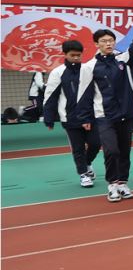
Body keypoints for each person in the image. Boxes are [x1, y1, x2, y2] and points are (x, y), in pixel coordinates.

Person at [76, 9, 133, 202]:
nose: (108, 44)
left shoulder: (122, 59)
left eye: (111, 41)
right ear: (96, 44)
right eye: (104, 41)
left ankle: (123, 183)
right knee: (111, 150)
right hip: (104, 116)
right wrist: (84, 118)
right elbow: (83, 95)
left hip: (126, 113)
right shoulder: (89, 67)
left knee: (125, 151)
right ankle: (112, 185)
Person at [43, 40, 100, 187]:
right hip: (69, 118)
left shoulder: (88, 69)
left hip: (90, 116)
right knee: (78, 148)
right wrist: (49, 119)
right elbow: (50, 96)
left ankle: (87, 163)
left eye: (79, 55)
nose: (76, 58)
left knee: (96, 143)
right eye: (72, 55)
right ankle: (83, 174)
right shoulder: (57, 72)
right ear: (65, 54)